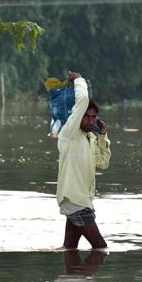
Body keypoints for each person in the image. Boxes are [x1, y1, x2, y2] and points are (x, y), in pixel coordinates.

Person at [56, 71, 111, 249]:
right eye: (86, 116)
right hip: (75, 200)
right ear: (78, 116)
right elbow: (82, 102)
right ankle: (81, 276)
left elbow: (103, 163)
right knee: (101, 249)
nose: (90, 120)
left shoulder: (90, 139)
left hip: (82, 200)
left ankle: (71, 277)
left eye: (93, 117)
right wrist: (79, 81)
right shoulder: (69, 133)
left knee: (69, 249)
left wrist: (103, 136)